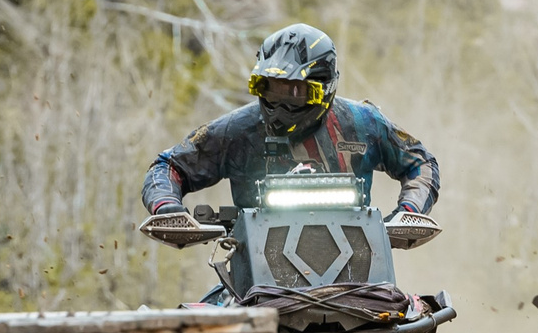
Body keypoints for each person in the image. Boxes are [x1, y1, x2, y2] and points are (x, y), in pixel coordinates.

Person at [140, 23, 439, 240]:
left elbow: (420, 162)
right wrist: (168, 209)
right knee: (199, 319)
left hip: (359, 270)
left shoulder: (363, 123)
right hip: (254, 279)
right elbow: (170, 166)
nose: (279, 103)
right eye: (269, 88)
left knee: (411, 311)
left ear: (324, 89)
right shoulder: (238, 129)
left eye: (295, 91)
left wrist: (408, 211)